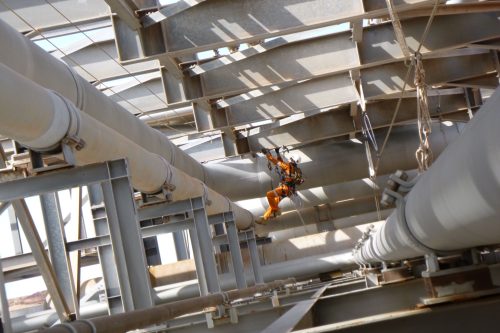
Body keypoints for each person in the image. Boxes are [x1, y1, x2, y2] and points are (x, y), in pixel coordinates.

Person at [259, 147, 304, 222]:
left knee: (269, 195)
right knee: (274, 202)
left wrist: (267, 154)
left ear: (292, 160)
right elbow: (298, 182)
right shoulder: (298, 171)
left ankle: (276, 209)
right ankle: (264, 218)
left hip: (284, 189)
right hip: (289, 191)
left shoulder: (287, 166)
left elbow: (275, 161)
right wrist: (277, 153)